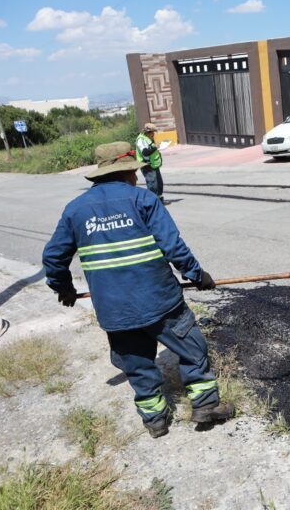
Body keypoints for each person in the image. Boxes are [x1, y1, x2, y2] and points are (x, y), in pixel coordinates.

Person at [42, 142, 233, 438]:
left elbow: (53, 258)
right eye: (134, 171)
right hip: (161, 302)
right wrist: (198, 276)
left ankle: (155, 421)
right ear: (128, 171)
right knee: (193, 349)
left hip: (116, 311)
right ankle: (205, 406)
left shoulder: (76, 210)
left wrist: (63, 288)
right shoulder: (142, 200)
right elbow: (173, 247)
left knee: (138, 367)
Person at [136, 123, 164, 203]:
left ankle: (159, 200)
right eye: (152, 132)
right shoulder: (141, 140)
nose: (153, 134)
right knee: (152, 185)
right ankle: (152, 202)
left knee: (159, 183)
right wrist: (155, 147)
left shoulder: (148, 138)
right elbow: (145, 152)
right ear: (148, 132)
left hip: (154, 164)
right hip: (147, 165)